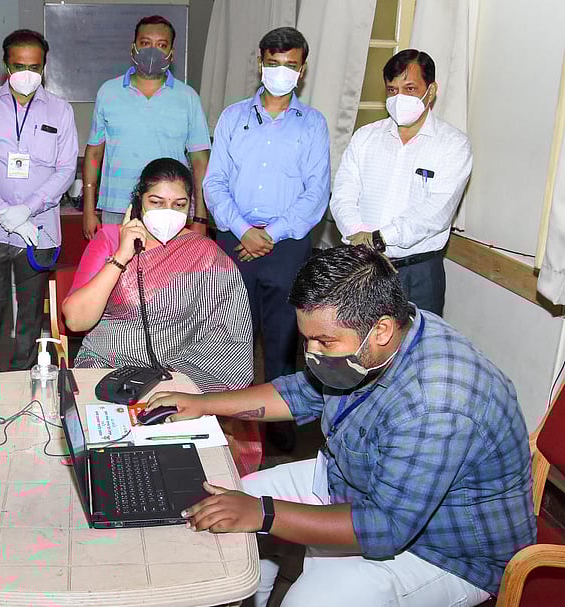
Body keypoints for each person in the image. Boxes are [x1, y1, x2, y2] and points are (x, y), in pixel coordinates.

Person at [145, 245, 535, 607]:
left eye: (323, 342)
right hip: (355, 479)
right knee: (219, 506)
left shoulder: (437, 405)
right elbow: (301, 392)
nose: (311, 354)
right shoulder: (387, 333)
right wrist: (202, 404)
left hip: (442, 552)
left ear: (380, 331)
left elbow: (384, 527)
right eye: (307, 340)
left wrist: (262, 513)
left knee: (306, 598)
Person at [63, 158, 261, 476]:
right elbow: (76, 321)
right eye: (157, 202)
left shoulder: (205, 253)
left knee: (172, 469)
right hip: (106, 369)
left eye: (178, 204)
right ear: (138, 201)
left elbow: (228, 333)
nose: (168, 212)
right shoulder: (111, 240)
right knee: (107, 464)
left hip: (179, 375)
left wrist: (181, 380)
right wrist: (122, 256)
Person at [203, 26, 330, 452]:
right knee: (226, 339)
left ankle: (279, 429)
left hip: (286, 243)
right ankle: (226, 424)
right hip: (235, 239)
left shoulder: (312, 125)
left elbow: (317, 192)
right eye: (273, 64)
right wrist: (242, 229)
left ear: (303, 69)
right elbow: (215, 182)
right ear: (260, 62)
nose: (280, 72)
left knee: (282, 341)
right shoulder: (233, 117)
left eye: (290, 65)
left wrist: (270, 234)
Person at [0, 29, 78, 373]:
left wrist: (27, 210)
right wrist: (4, 211)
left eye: (35, 66)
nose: (27, 73)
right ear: (5, 65)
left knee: (30, 314)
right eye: (19, 65)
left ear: (44, 66)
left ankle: (21, 377)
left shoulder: (60, 110)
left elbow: (66, 168)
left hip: (38, 229)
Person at [330, 49, 473, 316]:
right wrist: (358, 233)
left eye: (410, 88)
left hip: (417, 272)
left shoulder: (453, 145)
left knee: (416, 353)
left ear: (431, 91)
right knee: (360, 349)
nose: (400, 98)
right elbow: (343, 194)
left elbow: (436, 211)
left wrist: (379, 239)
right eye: (392, 90)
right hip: (362, 266)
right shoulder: (365, 137)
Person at [82, 15, 211, 240]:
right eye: (145, 43)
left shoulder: (188, 97)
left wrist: (200, 217)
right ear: (133, 48)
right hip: (118, 207)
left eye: (162, 45)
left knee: (169, 274)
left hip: (171, 210)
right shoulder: (108, 92)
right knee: (119, 271)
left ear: (172, 52)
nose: (153, 51)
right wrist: (88, 209)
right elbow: (94, 153)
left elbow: (200, 161)